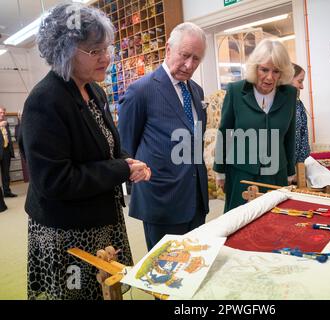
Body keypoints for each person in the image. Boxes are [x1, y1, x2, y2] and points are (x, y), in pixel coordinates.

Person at [19, 3, 150, 300]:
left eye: (107, 48)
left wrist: (128, 160)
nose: (106, 58)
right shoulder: (45, 101)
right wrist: (121, 170)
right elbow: (54, 180)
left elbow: (105, 146)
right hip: (67, 230)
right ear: (65, 50)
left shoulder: (94, 90)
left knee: (105, 289)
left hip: (100, 218)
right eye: (95, 51)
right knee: (80, 293)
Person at [119, 22, 209, 251]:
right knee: (165, 272)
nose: (189, 65)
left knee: (194, 265)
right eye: (185, 55)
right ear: (168, 49)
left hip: (195, 199)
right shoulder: (141, 91)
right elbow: (125, 148)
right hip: (161, 199)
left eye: (196, 59)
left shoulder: (196, 91)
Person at [214, 39, 297, 212]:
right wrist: (220, 171)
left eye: (276, 71)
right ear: (255, 68)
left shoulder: (289, 94)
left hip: (276, 173)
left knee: (275, 221)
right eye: (264, 69)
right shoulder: (236, 90)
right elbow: (225, 132)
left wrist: (290, 171)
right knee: (239, 222)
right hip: (241, 173)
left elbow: (289, 135)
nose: (269, 77)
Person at [291, 63, 311, 164]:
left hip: (294, 167)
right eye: (300, 81)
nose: (302, 87)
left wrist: (300, 165)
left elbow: (304, 136)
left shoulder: (298, 105)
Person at [0, 107, 17, 197]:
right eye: (0, 112)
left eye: (3, 113)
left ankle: (7, 192)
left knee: (6, 173)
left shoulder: (6, 124)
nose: (2, 114)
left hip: (6, 151)